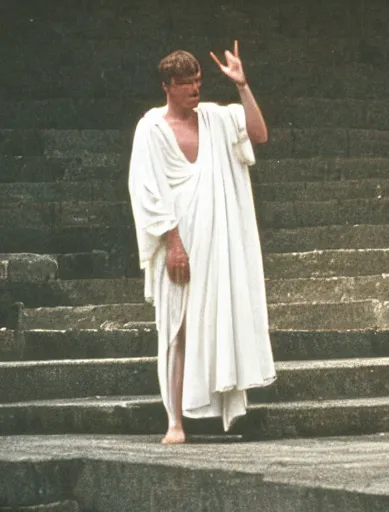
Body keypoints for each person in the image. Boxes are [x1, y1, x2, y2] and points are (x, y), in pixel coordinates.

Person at [128, 42, 276, 444]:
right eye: (185, 84)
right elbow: (148, 192)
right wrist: (174, 244)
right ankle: (174, 421)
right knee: (176, 328)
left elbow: (258, 134)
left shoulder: (215, 118)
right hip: (179, 245)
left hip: (217, 244)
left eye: (197, 81)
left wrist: (242, 85)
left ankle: (220, 410)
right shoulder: (152, 129)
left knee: (215, 317)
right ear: (167, 86)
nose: (194, 89)